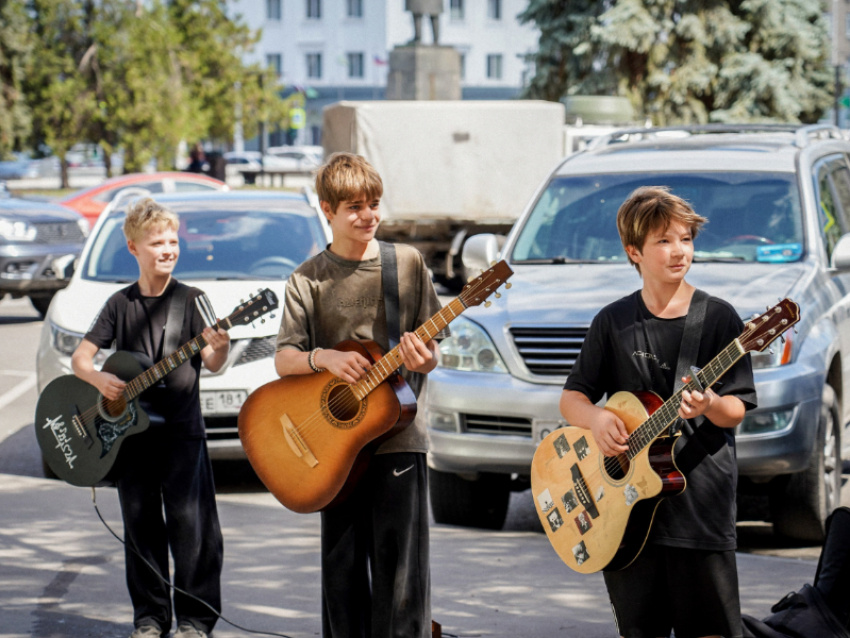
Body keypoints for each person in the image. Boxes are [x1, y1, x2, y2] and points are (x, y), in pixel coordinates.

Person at [560, 186, 757, 638]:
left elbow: (736, 410)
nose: (679, 251)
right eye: (664, 241)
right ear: (635, 252)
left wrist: (707, 404)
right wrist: (596, 419)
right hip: (625, 514)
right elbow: (573, 397)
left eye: (686, 239)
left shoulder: (720, 318)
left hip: (698, 509)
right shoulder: (613, 322)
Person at [274, 152, 445, 638]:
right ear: (326, 209)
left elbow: (430, 353)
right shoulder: (307, 278)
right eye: (354, 206)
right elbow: (285, 359)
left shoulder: (406, 265)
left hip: (399, 437)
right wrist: (323, 359)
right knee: (342, 570)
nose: (368, 215)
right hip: (333, 449)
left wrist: (422, 360)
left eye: (374, 204)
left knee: (403, 576)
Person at [71, 197, 230, 638]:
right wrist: (101, 380)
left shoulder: (193, 300)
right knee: (141, 529)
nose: (167, 249)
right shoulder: (118, 304)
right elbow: (81, 359)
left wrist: (218, 345)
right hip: (130, 440)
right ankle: (150, 617)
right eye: (157, 242)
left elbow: (215, 362)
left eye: (173, 241)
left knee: (192, 530)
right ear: (133, 248)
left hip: (182, 434)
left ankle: (195, 621)